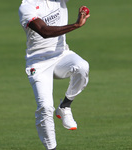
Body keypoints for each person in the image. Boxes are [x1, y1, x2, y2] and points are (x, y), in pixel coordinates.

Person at [18, 0, 90, 149]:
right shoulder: (27, 6)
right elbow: (44, 31)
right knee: (45, 107)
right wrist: (75, 25)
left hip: (61, 55)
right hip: (38, 63)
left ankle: (65, 106)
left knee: (82, 67)